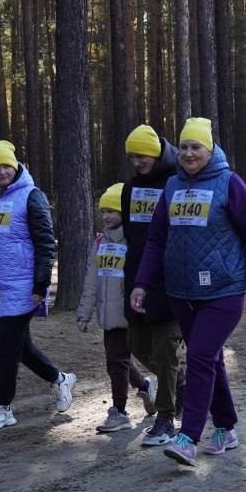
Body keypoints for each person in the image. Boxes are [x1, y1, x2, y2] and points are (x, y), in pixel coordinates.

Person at [130, 117, 246, 467]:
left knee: (200, 356)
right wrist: (142, 283)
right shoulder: (173, 186)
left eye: (196, 147)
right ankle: (226, 427)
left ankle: (189, 437)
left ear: (210, 149)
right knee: (209, 358)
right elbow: (156, 239)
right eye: (184, 147)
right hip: (182, 291)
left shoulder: (229, 183)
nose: (189, 153)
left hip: (223, 289)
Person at [0, 140, 77, 431]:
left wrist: (41, 284)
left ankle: (4, 406)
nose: (2, 172)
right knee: (21, 349)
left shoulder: (31, 196)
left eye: (6, 166)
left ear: (15, 166)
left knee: (5, 347)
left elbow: (45, 243)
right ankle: (61, 379)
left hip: (24, 286)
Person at [121, 124, 186, 446]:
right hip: (137, 276)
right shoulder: (130, 187)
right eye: (133, 157)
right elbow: (130, 233)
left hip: (170, 277)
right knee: (137, 344)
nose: (138, 161)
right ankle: (182, 381)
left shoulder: (176, 182)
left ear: (156, 153)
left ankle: (166, 419)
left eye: (142, 155)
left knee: (166, 349)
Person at [76, 183, 155, 433]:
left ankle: (119, 411)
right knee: (119, 358)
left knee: (116, 361)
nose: (106, 216)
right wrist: (84, 312)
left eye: (111, 211)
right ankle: (144, 387)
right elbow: (91, 279)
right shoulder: (99, 242)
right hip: (108, 315)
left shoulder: (134, 241)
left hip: (129, 313)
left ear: (124, 213)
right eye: (103, 212)